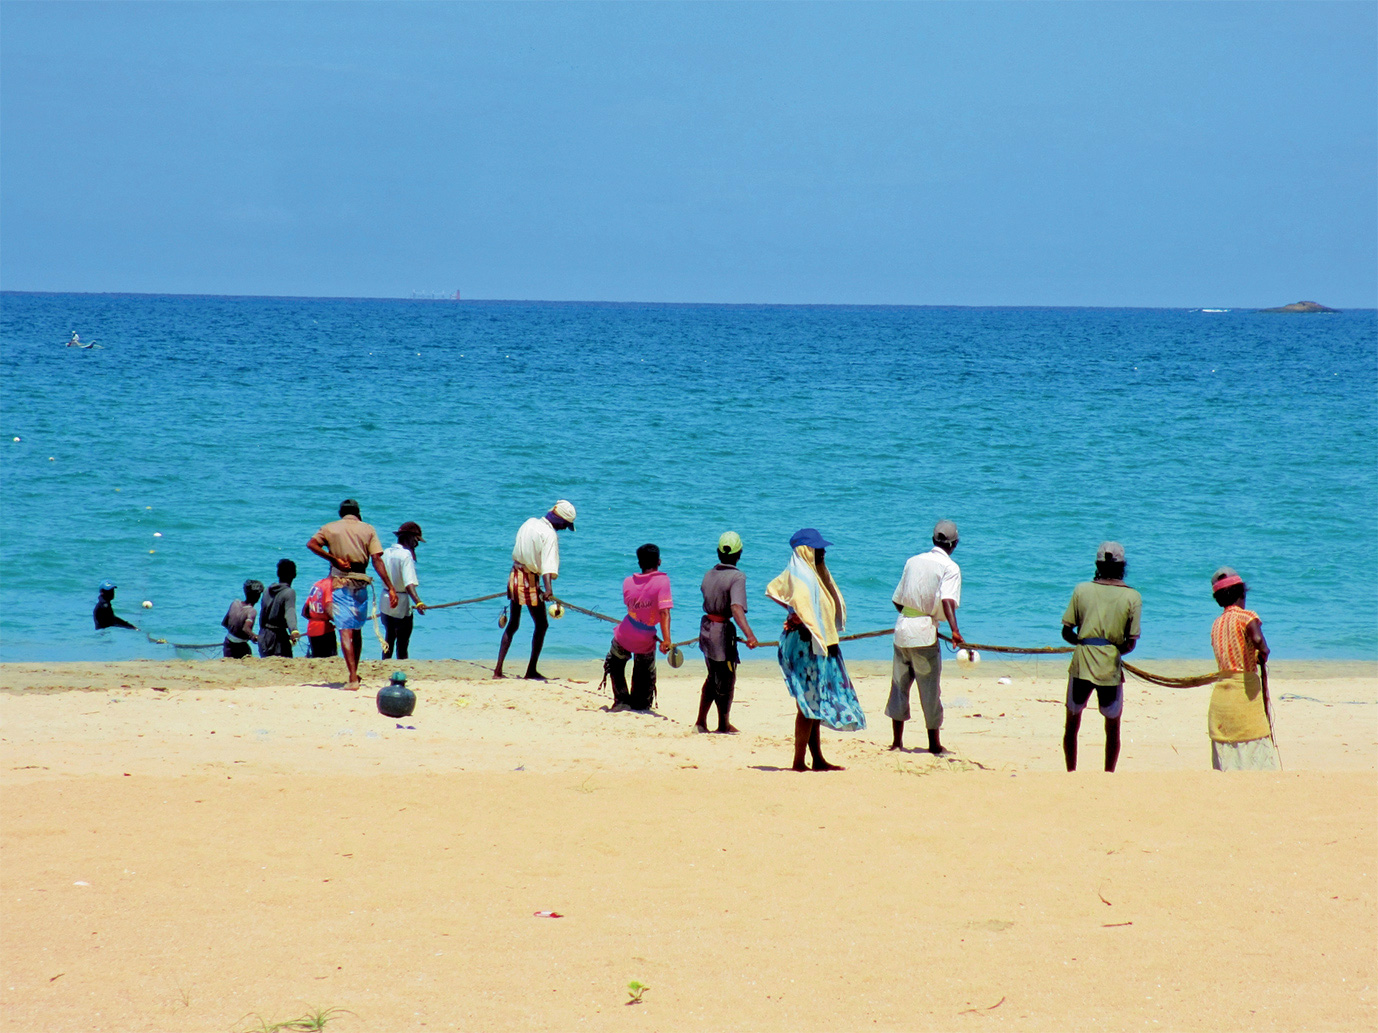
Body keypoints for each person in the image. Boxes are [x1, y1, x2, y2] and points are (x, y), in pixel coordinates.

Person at [766, 528, 866, 771]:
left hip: (818, 644)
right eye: (818, 549)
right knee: (807, 703)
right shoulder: (800, 575)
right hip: (804, 645)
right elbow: (774, 591)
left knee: (816, 700)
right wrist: (795, 614)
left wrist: (796, 613)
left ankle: (818, 758)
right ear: (805, 550)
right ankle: (799, 761)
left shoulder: (813, 574)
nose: (822, 552)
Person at [1060, 542, 1142, 772]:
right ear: (1122, 566)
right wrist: (1111, 650)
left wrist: (1085, 644)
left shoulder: (1081, 590)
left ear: (1097, 565)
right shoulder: (1132, 597)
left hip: (1082, 663)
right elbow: (1130, 643)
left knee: (1072, 724)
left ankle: (1071, 772)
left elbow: (1067, 632)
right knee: (1112, 727)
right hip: (1110, 667)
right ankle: (1109, 773)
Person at [887, 520, 966, 754]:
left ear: (933, 540)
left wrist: (912, 615)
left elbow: (897, 600)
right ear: (955, 544)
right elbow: (947, 600)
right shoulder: (950, 567)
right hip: (924, 635)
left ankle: (896, 743)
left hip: (902, 630)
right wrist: (954, 630)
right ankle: (934, 744)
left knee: (899, 686)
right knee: (930, 690)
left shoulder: (912, 561)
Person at [306, 498, 398, 690]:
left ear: (341, 513)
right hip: (361, 582)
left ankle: (353, 677)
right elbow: (376, 560)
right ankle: (354, 673)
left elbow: (312, 545)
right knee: (356, 630)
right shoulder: (368, 529)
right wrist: (389, 586)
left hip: (340, 582)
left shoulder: (329, 528)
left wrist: (334, 559)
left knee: (345, 631)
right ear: (358, 513)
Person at [494, 500, 576, 680]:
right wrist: (548, 590)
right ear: (559, 520)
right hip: (529, 579)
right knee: (542, 624)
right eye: (565, 525)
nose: (563, 528)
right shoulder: (550, 535)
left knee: (514, 623)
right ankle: (531, 670)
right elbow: (548, 566)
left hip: (514, 575)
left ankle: (498, 671)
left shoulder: (529, 522)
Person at [1206, 567, 1279, 771]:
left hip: (1221, 700)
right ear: (1242, 593)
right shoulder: (1246, 617)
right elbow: (1257, 639)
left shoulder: (1216, 624)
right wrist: (1263, 651)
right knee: (1253, 754)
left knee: (1227, 762)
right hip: (1244, 700)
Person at [695, 532, 758, 733]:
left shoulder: (708, 574)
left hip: (706, 629)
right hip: (721, 633)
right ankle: (723, 724)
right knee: (726, 678)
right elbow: (736, 608)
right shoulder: (737, 576)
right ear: (739, 554)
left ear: (718, 553)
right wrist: (749, 634)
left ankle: (701, 722)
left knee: (712, 676)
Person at [602, 543, 673, 711]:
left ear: (639, 563)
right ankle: (640, 702)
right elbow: (664, 613)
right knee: (644, 671)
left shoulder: (627, 582)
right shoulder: (663, 581)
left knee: (615, 662)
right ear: (659, 562)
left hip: (625, 632)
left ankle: (621, 700)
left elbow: (631, 607)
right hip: (646, 638)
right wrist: (667, 640)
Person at [379, 521, 428, 660]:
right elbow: (409, 583)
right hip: (401, 601)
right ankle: (402, 666)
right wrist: (418, 602)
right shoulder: (406, 555)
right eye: (416, 540)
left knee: (389, 636)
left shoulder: (386, 552)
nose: (416, 544)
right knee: (403, 641)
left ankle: (385, 663)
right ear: (408, 538)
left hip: (386, 598)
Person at [258, 559, 300, 658]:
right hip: (279, 638)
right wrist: (294, 630)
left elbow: (262, 615)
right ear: (294, 575)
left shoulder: (267, 590)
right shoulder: (289, 592)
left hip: (264, 635)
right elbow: (290, 611)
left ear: (278, 574)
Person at [222, 580, 263, 659]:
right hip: (240, 647)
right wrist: (254, 636)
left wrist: (234, 633)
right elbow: (245, 629)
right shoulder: (252, 611)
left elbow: (225, 623)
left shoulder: (235, 603)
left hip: (227, 643)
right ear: (258, 596)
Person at [301, 574, 337, 658]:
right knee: (330, 659)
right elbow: (329, 609)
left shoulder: (316, 585)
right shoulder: (329, 586)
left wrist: (316, 618)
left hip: (312, 629)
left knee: (316, 656)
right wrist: (342, 622)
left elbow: (304, 612)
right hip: (324, 631)